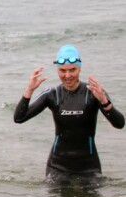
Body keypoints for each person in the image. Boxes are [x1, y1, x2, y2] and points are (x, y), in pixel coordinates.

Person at [13, 44, 124, 183]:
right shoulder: (52, 95)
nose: (68, 75)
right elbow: (19, 118)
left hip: (89, 167)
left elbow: (120, 124)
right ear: (57, 70)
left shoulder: (93, 92)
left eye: (73, 70)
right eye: (62, 71)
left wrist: (104, 101)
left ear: (80, 68)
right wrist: (29, 90)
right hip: (57, 167)